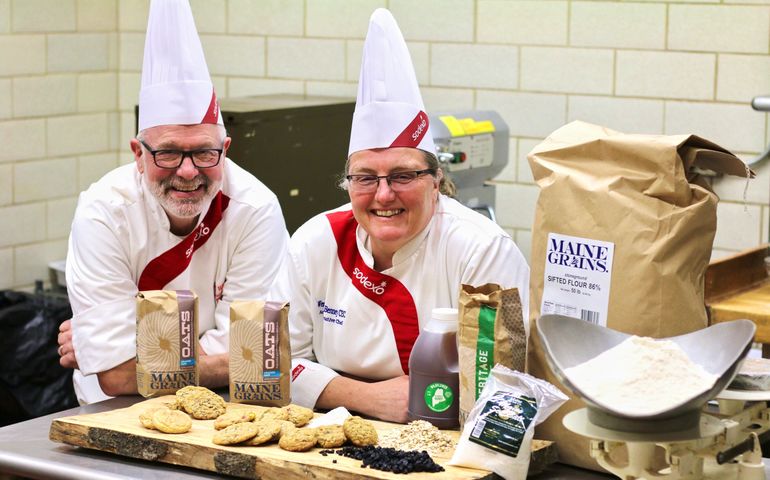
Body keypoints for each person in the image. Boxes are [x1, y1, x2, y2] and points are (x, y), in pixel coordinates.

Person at [276, 8, 529, 423]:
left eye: (402, 175)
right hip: (337, 429)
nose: (383, 195)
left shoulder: (482, 251)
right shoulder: (315, 240)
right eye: (364, 178)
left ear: (436, 180)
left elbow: (508, 382)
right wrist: (365, 396)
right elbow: (276, 362)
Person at [57, 0, 289, 404]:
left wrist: (130, 354)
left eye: (203, 152)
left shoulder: (256, 210)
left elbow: (255, 356)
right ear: (137, 153)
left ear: (226, 149)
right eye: (167, 153)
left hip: (222, 405)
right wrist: (219, 357)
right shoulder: (104, 211)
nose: (187, 172)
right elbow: (113, 378)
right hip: (112, 410)